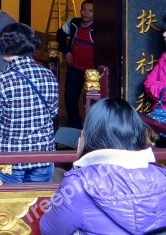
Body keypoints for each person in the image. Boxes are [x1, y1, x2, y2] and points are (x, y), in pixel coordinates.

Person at [40, 98, 166, 235]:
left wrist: (80, 164)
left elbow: (50, 230)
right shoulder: (162, 175)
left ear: (89, 136)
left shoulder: (77, 185)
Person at [0, 23, 59, 183]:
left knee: (8, 206)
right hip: (43, 155)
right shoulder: (49, 75)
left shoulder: (2, 81)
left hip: (10, 158)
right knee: (38, 206)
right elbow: (53, 112)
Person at [57, 0, 94, 128]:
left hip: (92, 71)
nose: (86, 13)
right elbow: (60, 35)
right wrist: (66, 51)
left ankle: (92, 128)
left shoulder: (99, 27)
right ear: (80, 10)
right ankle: (75, 126)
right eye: (84, 10)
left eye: (90, 11)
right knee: (70, 99)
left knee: (93, 101)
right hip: (75, 67)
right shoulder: (73, 23)